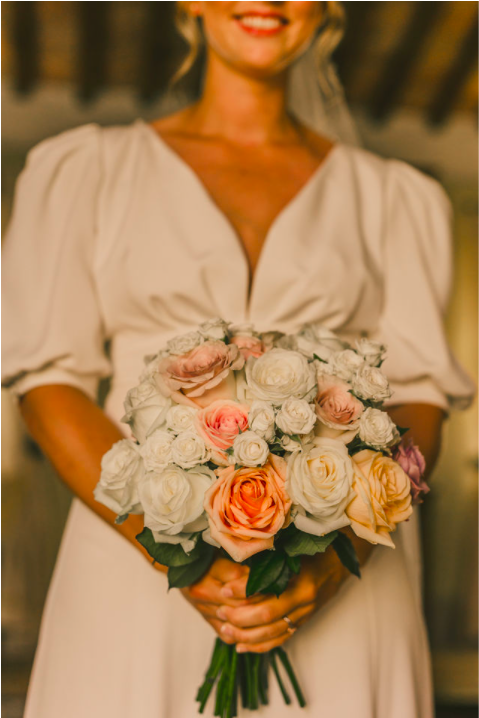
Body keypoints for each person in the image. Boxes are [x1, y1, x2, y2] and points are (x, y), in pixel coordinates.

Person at [2, 2, 474, 717]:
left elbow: (418, 401)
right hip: (132, 563)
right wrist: (178, 559)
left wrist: (333, 563)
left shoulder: (396, 198)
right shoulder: (83, 171)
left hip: (341, 573)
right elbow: (48, 380)